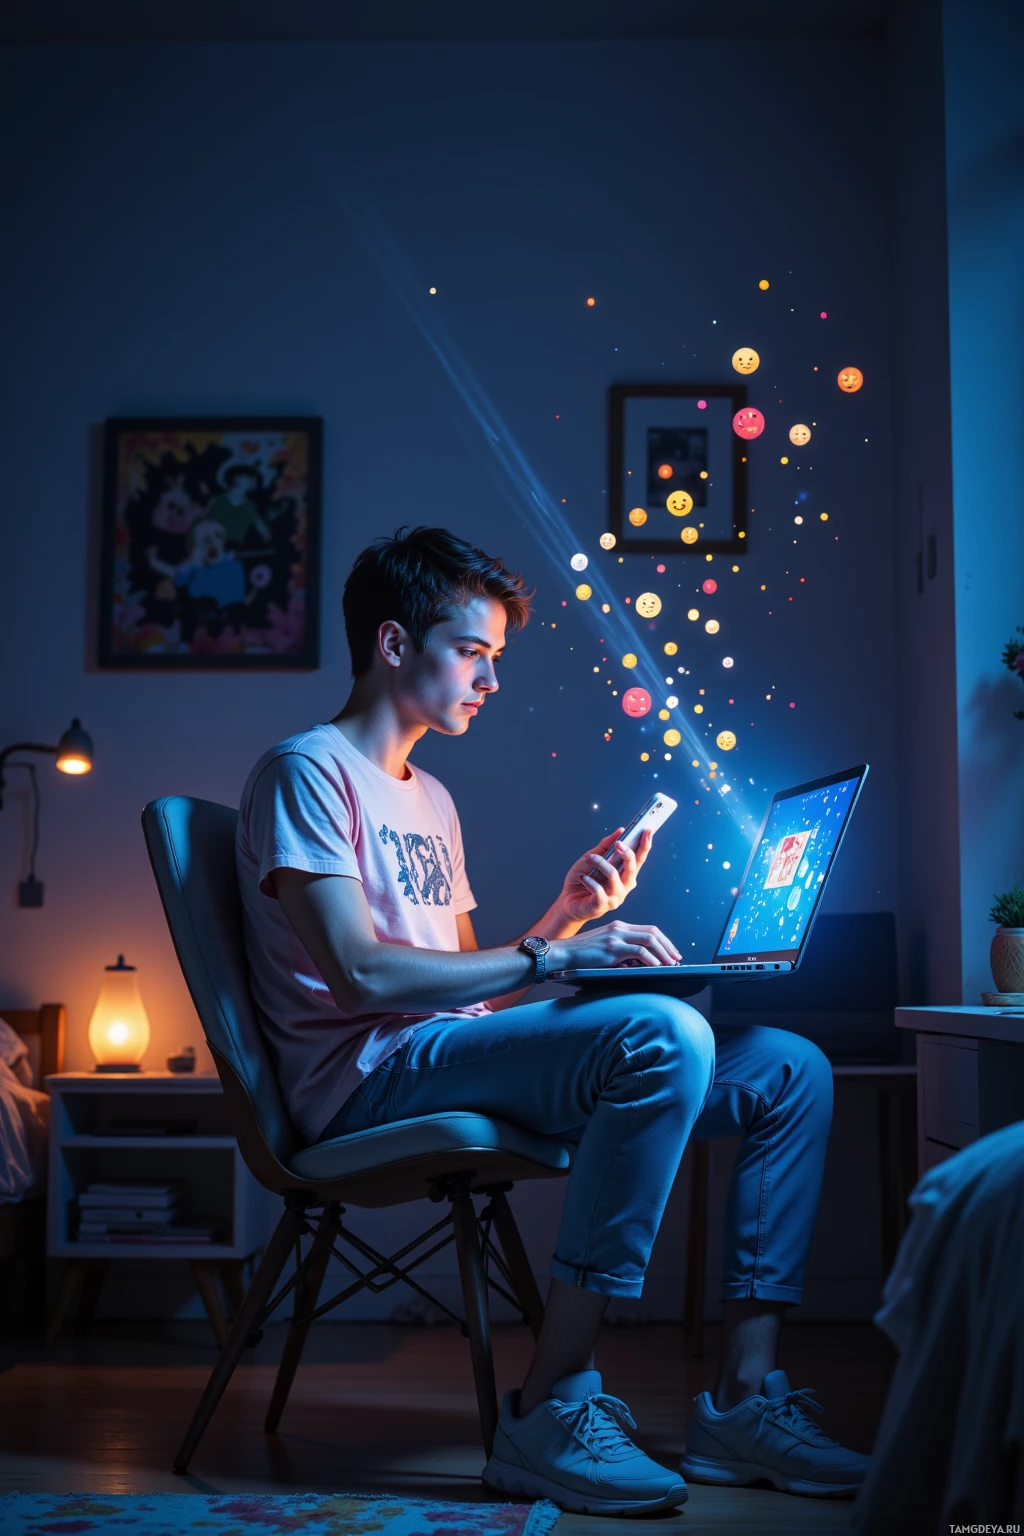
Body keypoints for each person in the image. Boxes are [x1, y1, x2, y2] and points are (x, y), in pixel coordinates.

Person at [235, 526, 867, 1515]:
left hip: (434, 1053)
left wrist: (566, 916)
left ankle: (744, 1398)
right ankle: (550, 1407)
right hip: (363, 1086)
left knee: (788, 1068)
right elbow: (360, 978)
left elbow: (467, 997)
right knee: (663, 1033)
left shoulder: (431, 796)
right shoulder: (305, 772)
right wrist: (560, 955)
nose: (489, 679)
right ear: (395, 644)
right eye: (473, 652)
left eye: (495, 659)